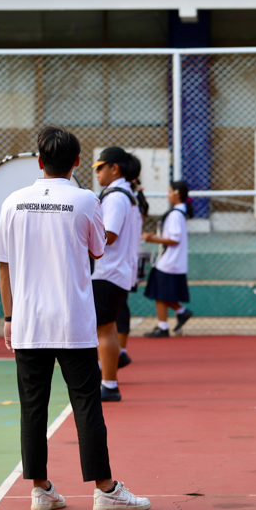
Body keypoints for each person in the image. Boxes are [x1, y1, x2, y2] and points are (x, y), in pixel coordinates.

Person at [0, 125, 150, 510]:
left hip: (28, 321)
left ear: (39, 161)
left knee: (32, 407)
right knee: (86, 405)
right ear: (78, 162)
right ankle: (105, 489)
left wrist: (9, 317)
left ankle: (41, 490)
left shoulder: (13, 201)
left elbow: (3, 265)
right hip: (72, 322)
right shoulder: (85, 201)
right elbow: (98, 250)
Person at [91, 147, 143, 402]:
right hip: (116, 272)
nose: (97, 172)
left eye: (101, 167)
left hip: (107, 272)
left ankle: (109, 384)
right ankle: (107, 380)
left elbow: (107, 235)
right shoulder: (127, 195)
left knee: (104, 330)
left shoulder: (115, 197)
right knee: (106, 328)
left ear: (115, 168)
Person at [142, 181, 194, 338]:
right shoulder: (178, 213)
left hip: (169, 261)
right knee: (162, 293)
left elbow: (174, 239)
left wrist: (152, 239)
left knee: (160, 293)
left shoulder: (176, 215)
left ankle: (163, 326)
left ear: (177, 194)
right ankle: (180, 312)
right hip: (170, 261)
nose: (167, 195)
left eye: (170, 191)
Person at [116, 153, 146, 369]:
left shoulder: (120, 198)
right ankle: (120, 351)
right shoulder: (131, 198)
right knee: (120, 308)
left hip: (117, 266)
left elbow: (108, 235)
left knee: (109, 317)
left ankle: (115, 356)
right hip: (127, 263)